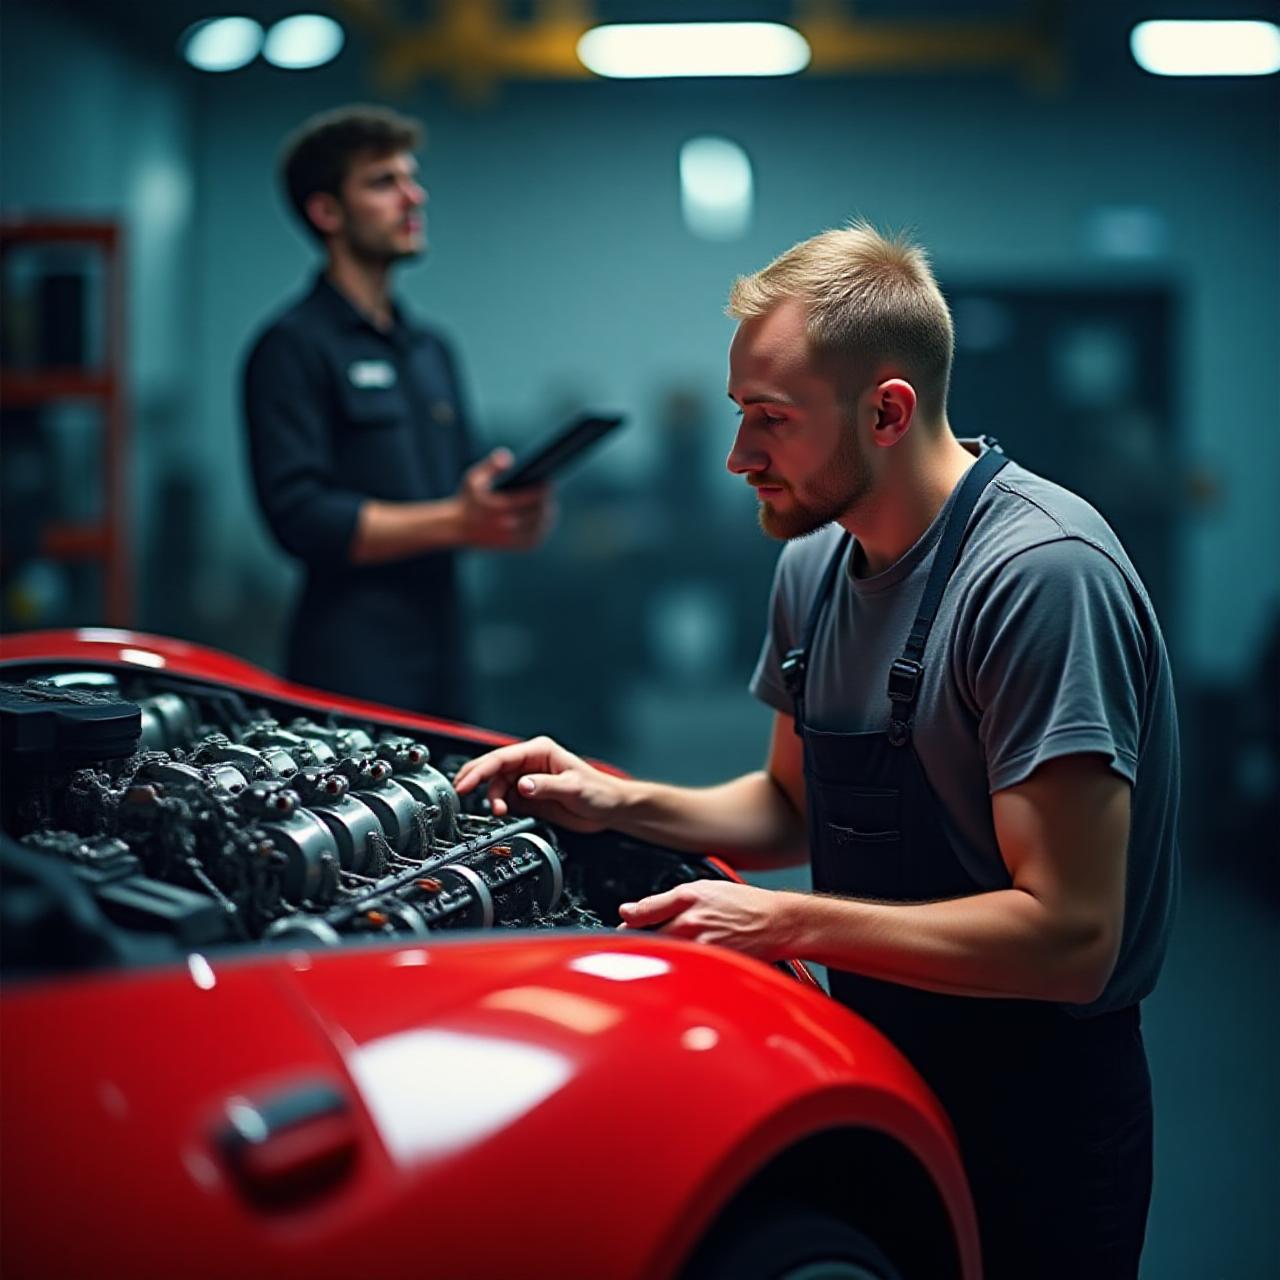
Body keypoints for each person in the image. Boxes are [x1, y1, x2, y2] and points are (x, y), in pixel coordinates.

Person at [453, 223, 1179, 1279]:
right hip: (879, 1048)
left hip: (1041, 1102)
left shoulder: (1036, 578)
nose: (737, 456)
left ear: (885, 411)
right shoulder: (813, 564)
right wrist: (611, 799)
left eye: (768, 421)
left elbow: (1069, 938)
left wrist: (782, 917)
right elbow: (786, 808)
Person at [243, 105, 554, 720]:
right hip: (350, 658)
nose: (414, 196)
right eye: (384, 182)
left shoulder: (429, 349)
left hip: (447, 642)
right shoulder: (292, 347)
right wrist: (458, 520)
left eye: (410, 178)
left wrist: (508, 511)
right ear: (326, 211)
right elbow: (300, 517)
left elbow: (463, 490)